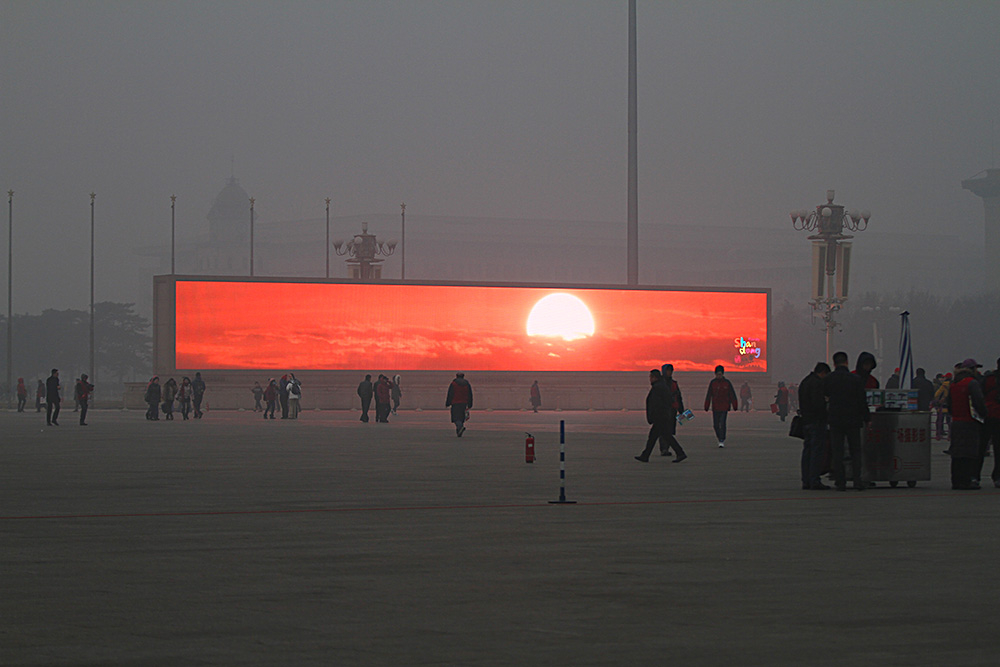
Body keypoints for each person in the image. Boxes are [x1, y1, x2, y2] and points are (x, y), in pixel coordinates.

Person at [825, 351, 871, 491]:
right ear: (847, 362)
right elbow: (862, 401)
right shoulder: (855, 379)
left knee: (838, 452)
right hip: (853, 420)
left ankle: (840, 481)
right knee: (855, 451)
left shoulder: (829, 379)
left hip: (836, 420)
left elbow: (825, 398)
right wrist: (866, 418)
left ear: (834, 363)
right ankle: (857, 480)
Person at [947, 358, 987, 490]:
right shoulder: (972, 383)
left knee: (957, 453)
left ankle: (956, 481)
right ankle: (967, 480)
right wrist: (983, 415)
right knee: (970, 453)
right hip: (970, 422)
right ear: (972, 369)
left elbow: (949, 405)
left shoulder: (954, 384)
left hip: (956, 422)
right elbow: (979, 402)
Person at [636, 368, 688, 463]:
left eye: (650, 377)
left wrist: (654, 415)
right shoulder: (661, 386)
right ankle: (645, 455)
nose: (650, 379)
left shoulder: (658, 387)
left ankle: (680, 453)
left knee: (664, 436)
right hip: (662, 416)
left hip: (660, 417)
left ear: (654, 377)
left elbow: (656, 403)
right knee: (657, 436)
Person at [798, 362, 831, 490]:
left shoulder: (805, 382)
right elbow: (818, 404)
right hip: (816, 421)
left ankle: (806, 480)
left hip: (806, 421)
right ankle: (814, 480)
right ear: (823, 373)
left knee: (807, 451)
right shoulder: (817, 383)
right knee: (817, 452)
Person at [658, 363, 687, 459]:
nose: (669, 373)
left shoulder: (674, 383)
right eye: (667, 371)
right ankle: (664, 449)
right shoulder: (660, 383)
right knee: (663, 430)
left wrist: (681, 410)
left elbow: (678, 397)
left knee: (670, 430)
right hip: (663, 410)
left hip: (673, 409)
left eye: (670, 371)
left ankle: (666, 448)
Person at [704, 365, 738, 447]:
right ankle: (720, 437)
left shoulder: (727, 383)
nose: (719, 376)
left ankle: (722, 439)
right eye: (717, 374)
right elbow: (709, 395)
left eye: (720, 374)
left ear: (723, 374)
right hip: (715, 407)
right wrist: (706, 406)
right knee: (716, 425)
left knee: (722, 423)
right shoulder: (713, 383)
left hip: (724, 406)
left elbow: (732, 394)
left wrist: (735, 405)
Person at [981, 357, 1000, 489]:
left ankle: (974, 476)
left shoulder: (988, 378)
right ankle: (998, 477)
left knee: (981, 447)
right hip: (997, 416)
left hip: (987, 415)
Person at [446, 372, 473, 436]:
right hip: (464, 403)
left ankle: (459, 427)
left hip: (455, 403)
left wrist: (448, 403)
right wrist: (470, 404)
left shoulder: (453, 384)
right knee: (461, 417)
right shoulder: (467, 384)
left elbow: (450, 394)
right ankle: (459, 430)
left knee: (456, 418)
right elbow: (470, 395)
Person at [934, 373, 952, 441]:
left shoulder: (944, 385)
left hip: (942, 405)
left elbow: (937, 394)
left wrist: (937, 400)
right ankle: (950, 434)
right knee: (949, 421)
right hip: (949, 405)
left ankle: (938, 433)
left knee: (939, 420)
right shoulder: (953, 384)